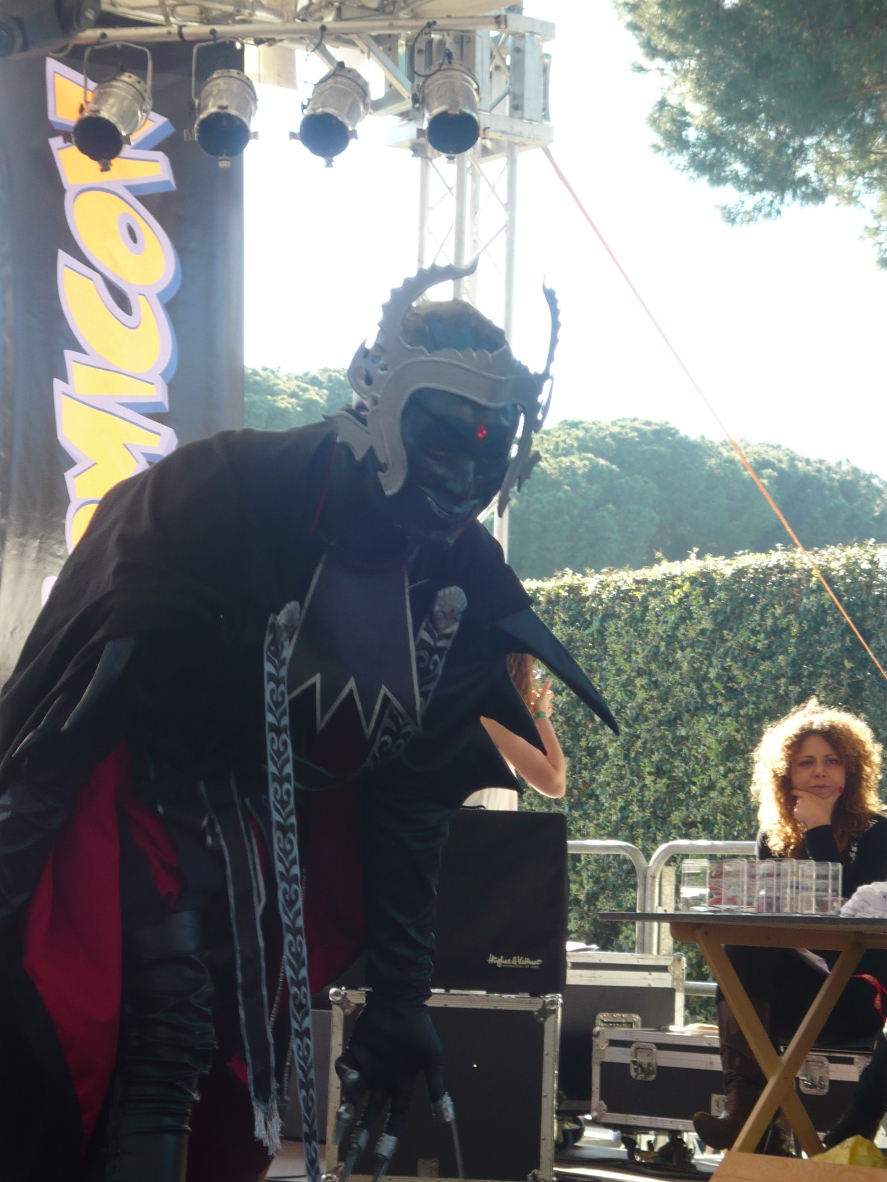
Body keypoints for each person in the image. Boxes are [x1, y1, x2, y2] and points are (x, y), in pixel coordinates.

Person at [0, 260, 618, 1182]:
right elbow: (83, 701)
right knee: (150, 1031)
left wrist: (400, 995)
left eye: (489, 449)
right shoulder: (228, 486)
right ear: (379, 396)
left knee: (209, 1053)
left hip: (266, 832)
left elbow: (410, 794)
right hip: (135, 799)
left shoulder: (462, 576)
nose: (463, 477)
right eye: (443, 436)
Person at [692, 698, 887, 1155]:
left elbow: (850, 925)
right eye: (806, 763)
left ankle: (762, 1122)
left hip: (859, 994)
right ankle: (749, 1109)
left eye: (832, 761)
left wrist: (820, 832)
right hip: (798, 996)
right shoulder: (773, 837)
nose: (820, 773)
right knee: (741, 945)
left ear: (851, 769)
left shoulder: (879, 832)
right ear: (786, 774)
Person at [463, 653, 566, 809]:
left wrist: (530, 718)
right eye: (532, 670)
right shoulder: (492, 712)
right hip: (474, 822)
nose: (533, 678)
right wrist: (540, 715)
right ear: (517, 670)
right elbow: (555, 785)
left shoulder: (470, 701)